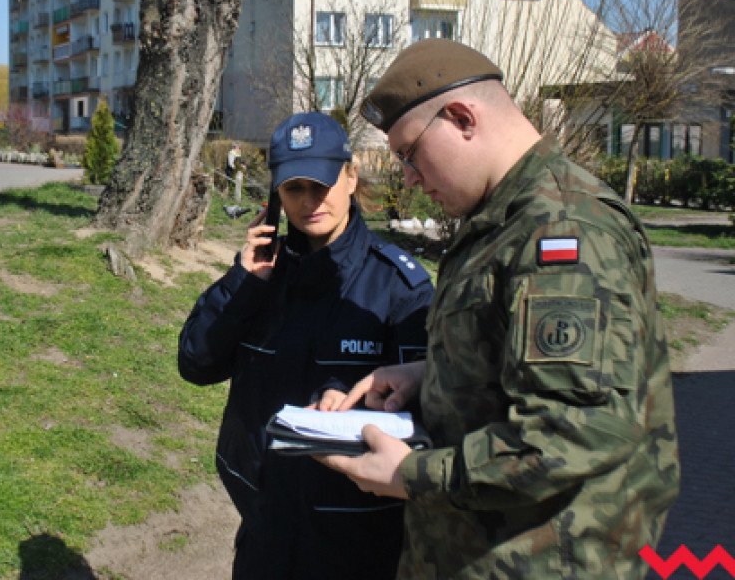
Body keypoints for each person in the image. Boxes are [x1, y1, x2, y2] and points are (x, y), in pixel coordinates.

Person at [318, 39, 680, 579]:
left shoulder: (561, 230)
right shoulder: (506, 216)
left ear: (462, 117)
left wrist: (413, 474)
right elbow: (522, 353)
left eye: (409, 154)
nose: (410, 178)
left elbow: (573, 429)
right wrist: (431, 371)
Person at [179, 112, 433, 579]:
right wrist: (244, 282)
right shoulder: (260, 276)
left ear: (351, 177)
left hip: (358, 542)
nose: (311, 201)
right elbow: (196, 362)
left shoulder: (399, 286)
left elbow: (427, 417)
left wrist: (355, 406)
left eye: (323, 184)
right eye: (295, 188)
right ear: (276, 195)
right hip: (264, 530)